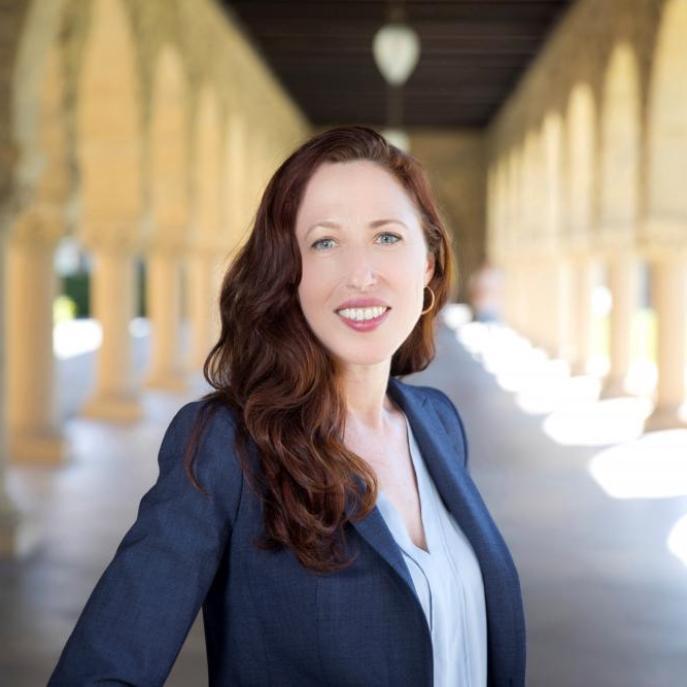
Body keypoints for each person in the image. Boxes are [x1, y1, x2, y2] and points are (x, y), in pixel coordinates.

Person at [48, 125, 525, 686]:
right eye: (325, 242)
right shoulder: (225, 446)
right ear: (288, 273)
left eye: (387, 237)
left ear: (427, 264)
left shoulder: (439, 423)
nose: (361, 273)